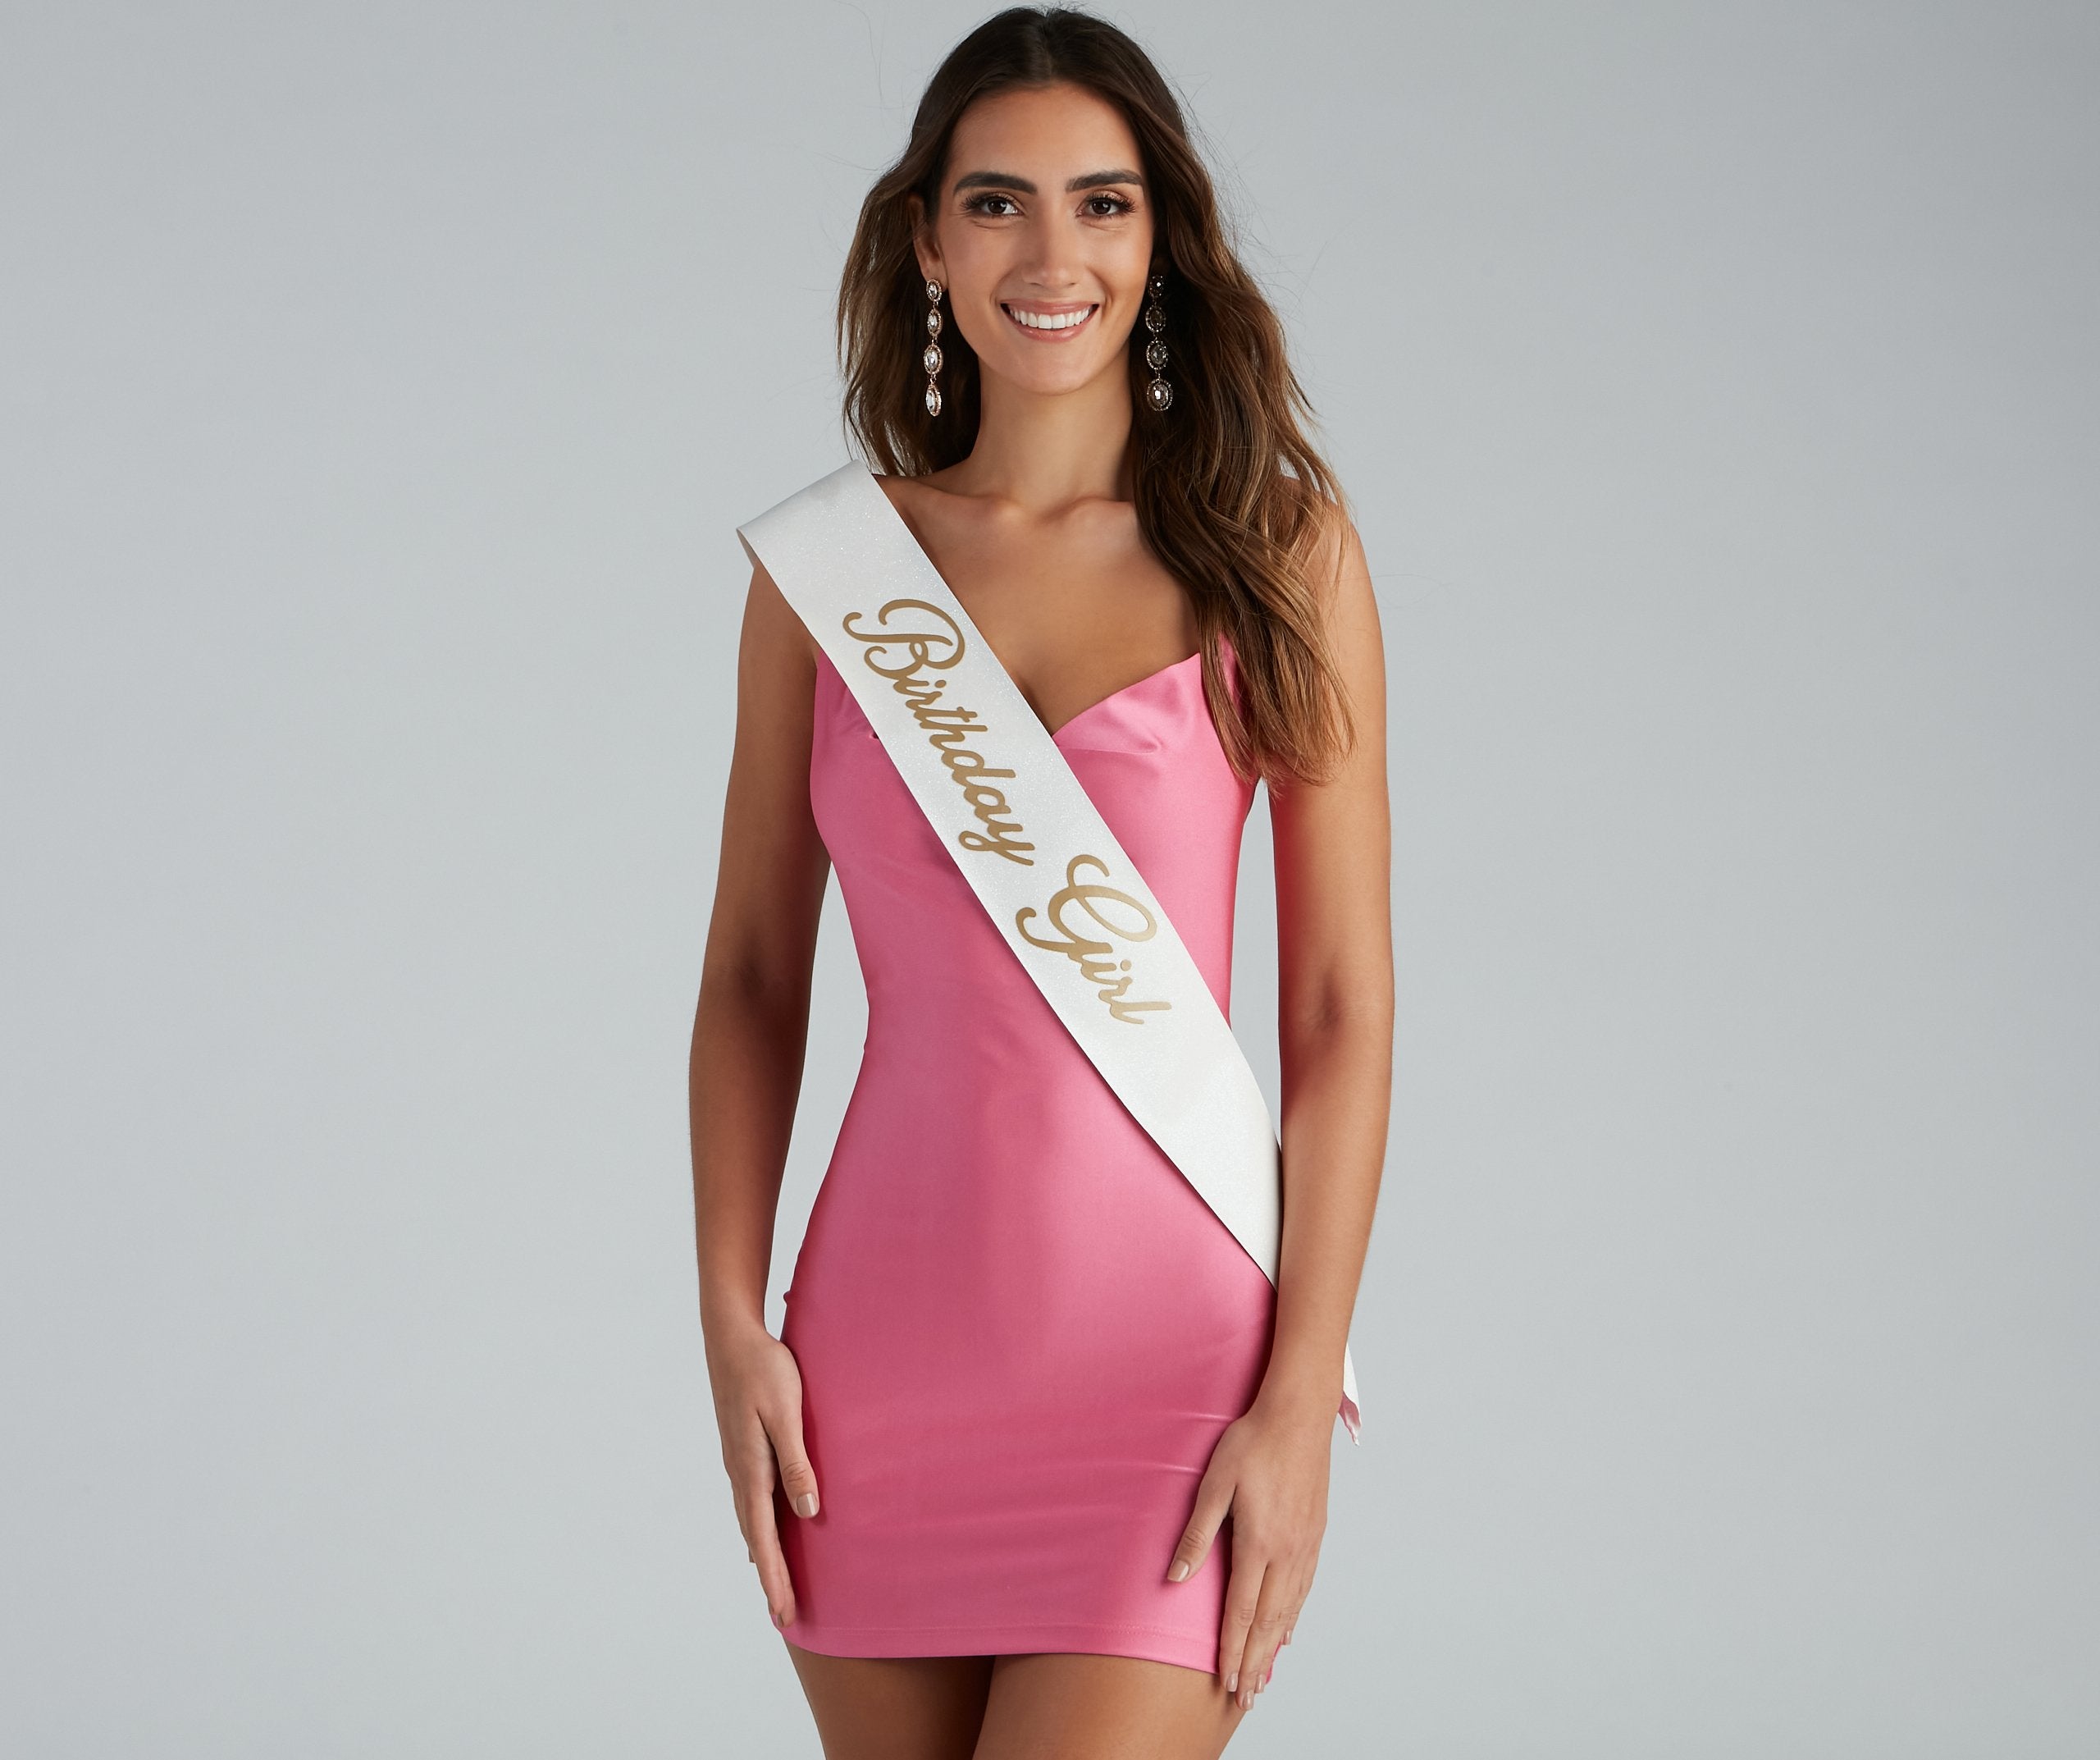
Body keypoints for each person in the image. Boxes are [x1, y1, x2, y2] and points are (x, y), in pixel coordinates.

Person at [690, 7, 1390, 1753]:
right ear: (927, 241)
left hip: (1174, 1371)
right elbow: (755, 972)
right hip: (875, 1364)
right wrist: (730, 1321)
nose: (1051, 253)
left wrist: (1300, 1390)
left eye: (1103, 202)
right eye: (996, 202)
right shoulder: (829, 576)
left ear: (1160, 242)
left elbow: (1336, 1008)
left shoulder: (1276, 553)